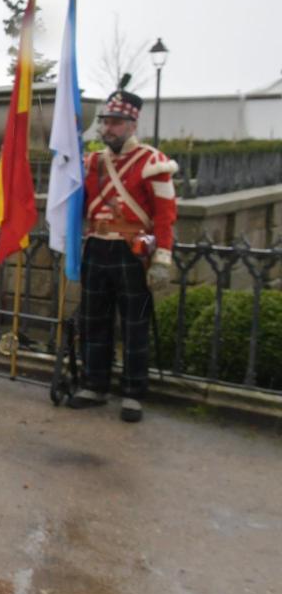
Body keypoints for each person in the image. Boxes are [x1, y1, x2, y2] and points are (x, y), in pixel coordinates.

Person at [67, 82, 177, 422]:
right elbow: (76, 204)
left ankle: (133, 393)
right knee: (93, 319)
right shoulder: (92, 163)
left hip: (133, 252)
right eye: (105, 121)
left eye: (115, 122)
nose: (107, 128)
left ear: (132, 125)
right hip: (97, 248)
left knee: (134, 322)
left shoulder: (152, 161)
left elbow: (165, 215)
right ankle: (94, 384)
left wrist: (161, 259)